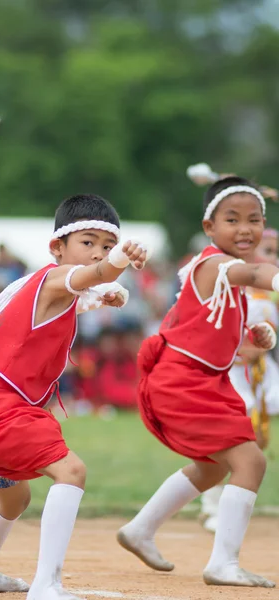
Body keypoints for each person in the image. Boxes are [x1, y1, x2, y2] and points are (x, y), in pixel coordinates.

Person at [0, 193, 147, 598]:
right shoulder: (56, 277)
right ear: (57, 248)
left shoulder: (51, 288)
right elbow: (89, 279)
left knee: (14, 498)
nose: (98, 253)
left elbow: (83, 294)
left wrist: (110, 290)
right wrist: (119, 261)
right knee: (71, 472)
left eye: (107, 245)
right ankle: (47, 584)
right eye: (88, 242)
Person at [117, 176, 278, 588]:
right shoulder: (214, 264)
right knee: (251, 461)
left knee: (211, 467)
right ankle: (223, 563)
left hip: (199, 380)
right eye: (232, 219)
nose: (245, 228)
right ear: (209, 227)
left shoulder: (227, 277)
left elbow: (211, 331)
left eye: (254, 219)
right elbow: (259, 272)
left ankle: (140, 529)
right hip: (183, 382)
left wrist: (256, 336)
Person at [200, 226, 279, 532]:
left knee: (255, 440)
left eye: (276, 253)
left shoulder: (268, 298)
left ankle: (232, 501)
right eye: (268, 252)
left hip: (257, 374)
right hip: (230, 372)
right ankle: (213, 502)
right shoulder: (230, 288)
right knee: (228, 440)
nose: (273, 258)